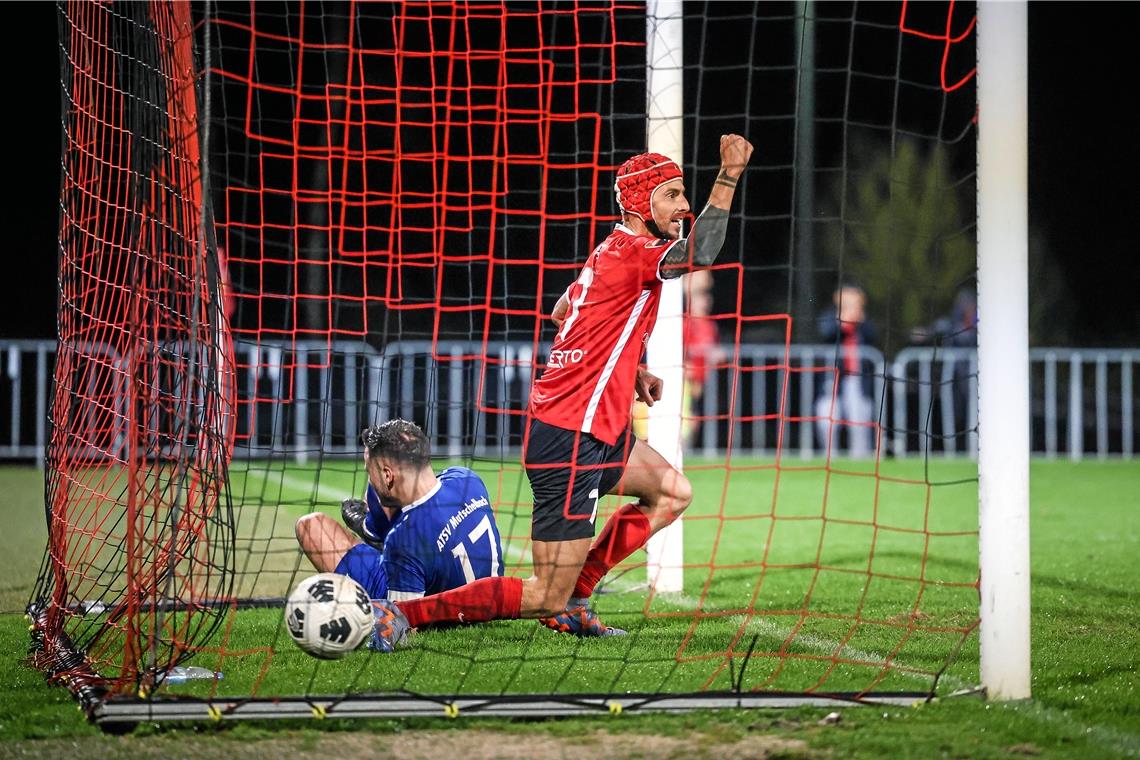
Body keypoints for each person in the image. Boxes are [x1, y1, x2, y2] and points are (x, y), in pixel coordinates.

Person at [368, 134, 754, 651]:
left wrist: (628, 364)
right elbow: (702, 250)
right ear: (641, 203)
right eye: (673, 194)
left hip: (596, 427)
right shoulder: (636, 252)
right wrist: (727, 174)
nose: (684, 205)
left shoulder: (612, 252)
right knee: (542, 594)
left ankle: (578, 599)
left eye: (686, 194)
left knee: (671, 493)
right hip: (569, 438)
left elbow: (563, 312)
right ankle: (403, 614)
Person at [295, 419, 504, 603]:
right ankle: (375, 534)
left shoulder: (404, 539)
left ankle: (374, 536)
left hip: (430, 603)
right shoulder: (466, 478)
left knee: (311, 525)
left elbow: (399, 623)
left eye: (370, 472)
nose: (370, 479)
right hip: (485, 597)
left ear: (388, 475)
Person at [813, 283, 877, 458]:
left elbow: (874, 335)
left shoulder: (863, 321)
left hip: (858, 379)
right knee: (827, 420)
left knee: (860, 421)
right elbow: (826, 334)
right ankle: (828, 456)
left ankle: (861, 457)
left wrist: (858, 321)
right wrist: (844, 322)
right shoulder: (828, 317)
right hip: (831, 379)